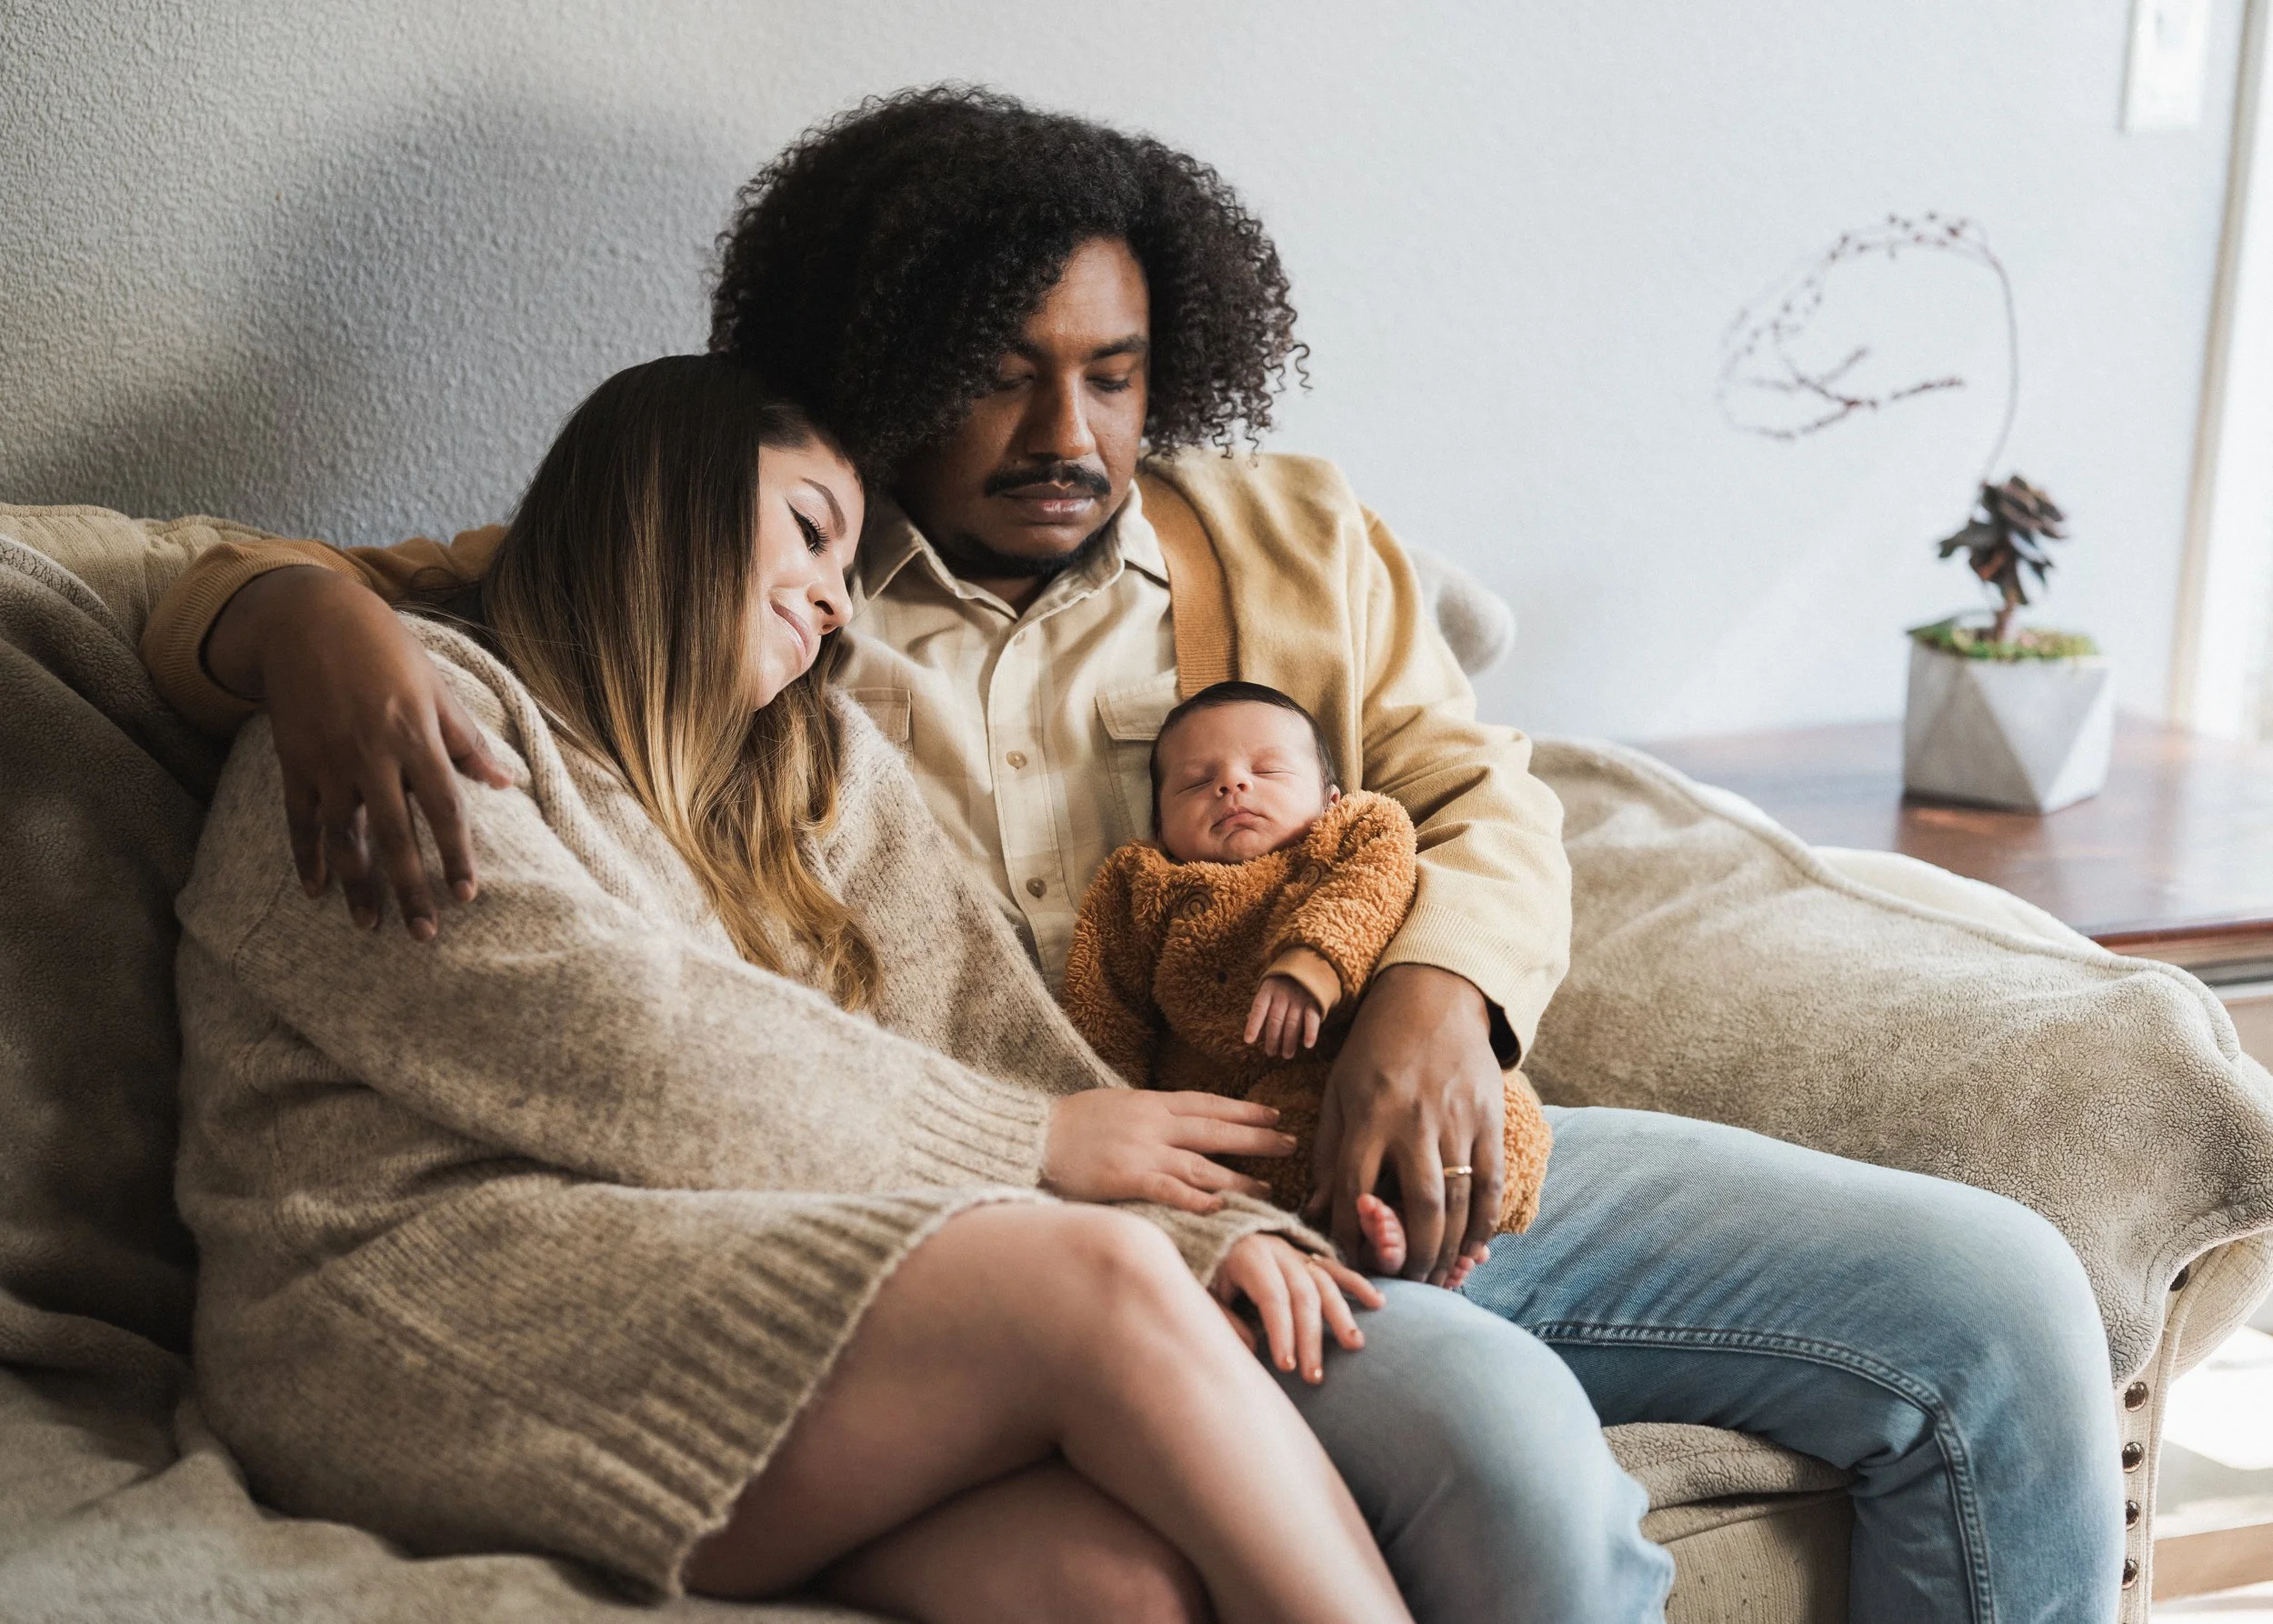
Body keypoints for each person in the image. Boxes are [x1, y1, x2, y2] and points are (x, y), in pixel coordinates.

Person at [145, 87, 2121, 1622]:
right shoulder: (753, 629)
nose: (1065, 427)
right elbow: (281, 605)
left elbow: (1478, 795)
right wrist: (296, 623)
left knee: (1997, 1295)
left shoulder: (1280, 539)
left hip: (1362, 1127)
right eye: (1001, 370)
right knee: (1490, 1443)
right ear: (879, 374)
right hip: (1091, 1179)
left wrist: (1437, 996)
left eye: (1110, 370)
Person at [175, 352, 1419, 1624]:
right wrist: (1040, 1151)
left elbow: (977, 1023)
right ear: (662, 496)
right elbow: (618, 1043)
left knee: (1117, 1589)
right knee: (1085, 1279)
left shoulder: (807, 760)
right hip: (396, 1297)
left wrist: (1197, 1214)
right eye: (811, 534)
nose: (832, 601)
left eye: (845, 573)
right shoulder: (392, 724)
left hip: (684, 1248)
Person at [1061, 680, 1550, 1280]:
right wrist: (1112, 1095)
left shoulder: (1353, 833)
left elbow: (1369, 892)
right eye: (1195, 782)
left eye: (1267, 769)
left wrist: (1311, 963)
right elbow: (1105, 997)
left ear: (1330, 799)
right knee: (1263, 1155)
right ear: (1160, 825)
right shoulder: (1139, 886)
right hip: (1229, 1114)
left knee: (1507, 1113)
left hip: (1361, 1060)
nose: (1231, 785)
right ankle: (1364, 1237)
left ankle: (1447, 1229)